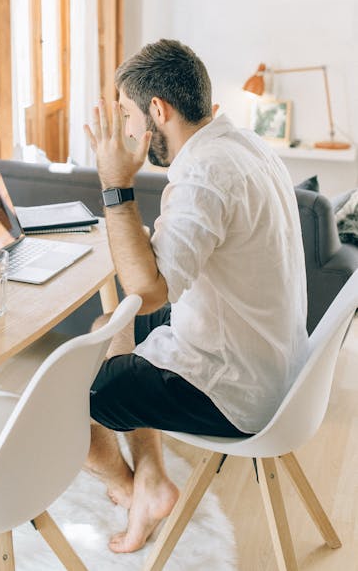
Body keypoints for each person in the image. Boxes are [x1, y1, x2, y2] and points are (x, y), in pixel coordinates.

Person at [83, 38, 309, 554]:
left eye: (127, 114)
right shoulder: (244, 145)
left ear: (157, 110)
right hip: (275, 365)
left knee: (65, 395)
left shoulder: (204, 175)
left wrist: (115, 184)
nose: (127, 127)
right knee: (105, 331)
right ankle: (154, 480)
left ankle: (129, 486)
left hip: (233, 389)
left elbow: (145, 291)